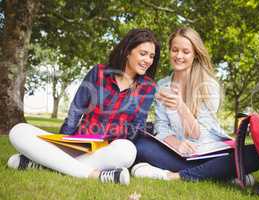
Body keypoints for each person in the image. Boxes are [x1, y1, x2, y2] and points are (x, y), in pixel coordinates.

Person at [7, 28, 160, 185]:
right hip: (79, 143)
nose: (148, 60)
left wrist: (118, 144)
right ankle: (95, 174)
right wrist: (63, 140)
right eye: (143, 54)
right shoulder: (99, 72)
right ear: (128, 51)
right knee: (18, 131)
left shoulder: (148, 87)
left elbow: (137, 127)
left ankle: (47, 163)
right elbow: (76, 110)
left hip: (107, 150)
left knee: (128, 151)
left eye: (151, 56)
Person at [131, 27, 259, 183]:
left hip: (207, 149)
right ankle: (222, 173)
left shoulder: (208, 85)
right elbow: (162, 126)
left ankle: (174, 175)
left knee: (257, 152)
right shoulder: (162, 85)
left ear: (195, 55)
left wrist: (181, 107)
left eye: (185, 52)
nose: (179, 56)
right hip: (176, 152)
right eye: (175, 50)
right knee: (140, 144)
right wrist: (177, 144)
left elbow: (199, 135)